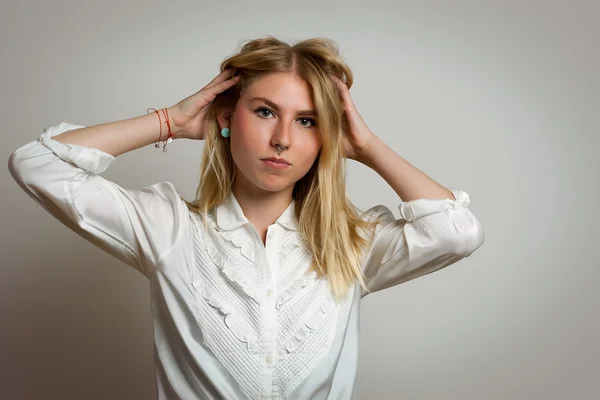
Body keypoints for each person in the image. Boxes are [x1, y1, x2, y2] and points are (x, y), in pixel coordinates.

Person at [8, 36, 485, 400]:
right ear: (226, 117)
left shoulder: (350, 244)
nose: (282, 138)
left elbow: (457, 233)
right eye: (264, 112)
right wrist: (170, 121)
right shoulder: (167, 228)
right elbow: (38, 164)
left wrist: (366, 147)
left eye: (306, 121)